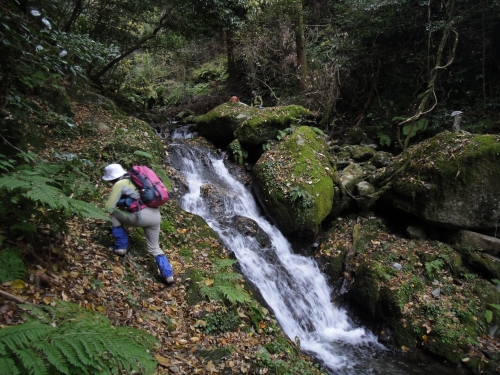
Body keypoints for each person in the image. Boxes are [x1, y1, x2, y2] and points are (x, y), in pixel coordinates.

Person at [102, 163, 174, 284]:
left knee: (114, 215)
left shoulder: (120, 184)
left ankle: (121, 246)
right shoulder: (136, 180)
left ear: (112, 178)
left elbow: (109, 207)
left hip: (142, 216)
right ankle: (168, 275)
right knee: (154, 247)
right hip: (156, 216)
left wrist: (121, 203)